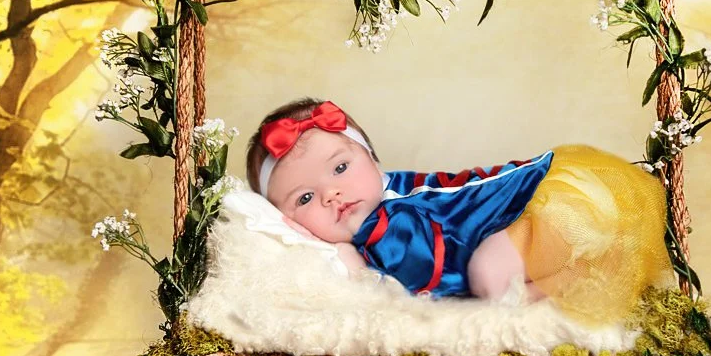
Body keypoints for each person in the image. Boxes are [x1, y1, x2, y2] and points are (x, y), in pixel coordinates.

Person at [245, 97, 671, 325]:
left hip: (555, 204)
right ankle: (582, 269)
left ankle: (586, 272)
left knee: (490, 275)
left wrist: (355, 267)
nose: (332, 195)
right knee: (493, 270)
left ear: (374, 163)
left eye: (340, 167)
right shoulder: (365, 217)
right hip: (539, 220)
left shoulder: (389, 219)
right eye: (305, 198)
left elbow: (410, 284)